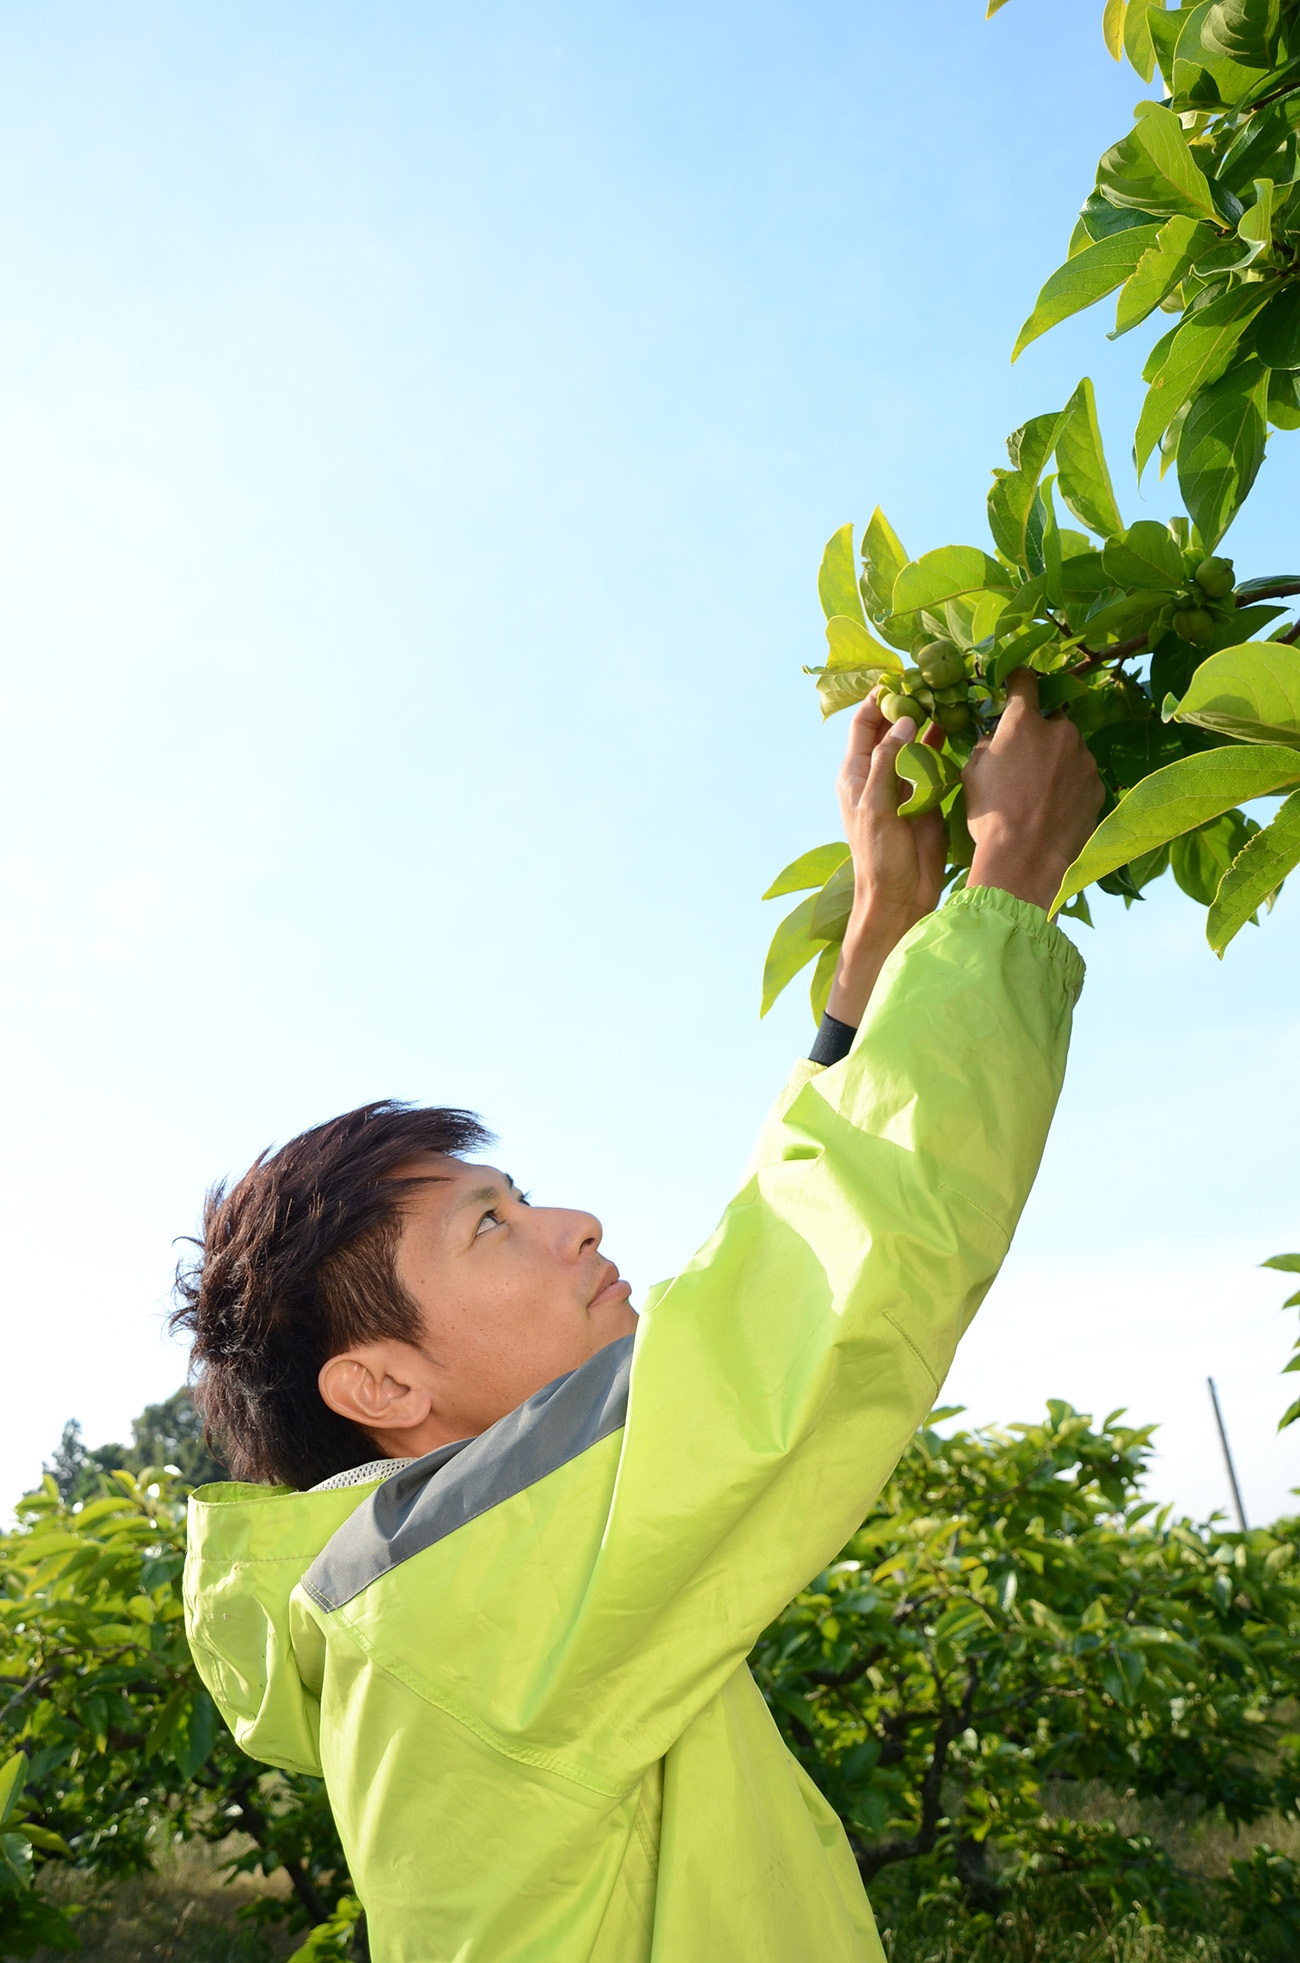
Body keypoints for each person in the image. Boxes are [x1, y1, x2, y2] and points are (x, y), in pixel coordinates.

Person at [181, 673, 1102, 1963]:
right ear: (382, 1386)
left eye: (525, 1197)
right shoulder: (449, 1595)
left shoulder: (429, 1593)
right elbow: (799, 1318)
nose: (579, 1226)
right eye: (490, 1224)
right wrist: (1001, 891)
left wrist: (885, 930)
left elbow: (756, 1286)